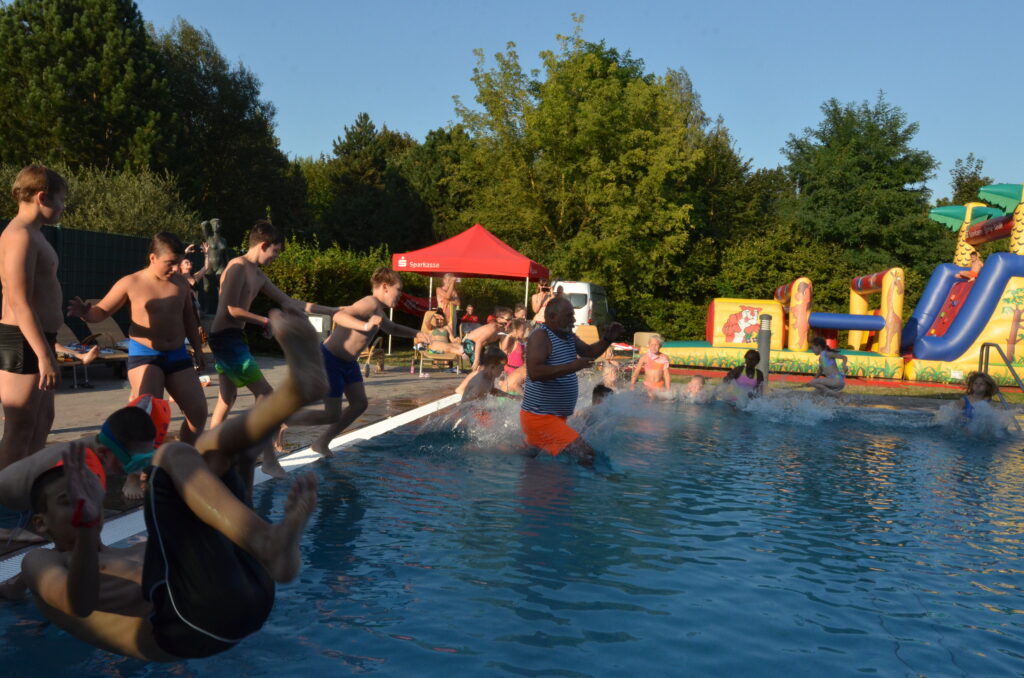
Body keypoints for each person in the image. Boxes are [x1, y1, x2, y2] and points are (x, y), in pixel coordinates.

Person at [0, 307, 326, 661]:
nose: (83, 497)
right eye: (69, 497)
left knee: (212, 450)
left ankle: (296, 391)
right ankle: (268, 540)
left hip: (251, 591)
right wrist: (88, 519)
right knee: (173, 459)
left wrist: (240, 465)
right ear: (40, 523)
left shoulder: (133, 551)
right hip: (188, 626)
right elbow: (79, 605)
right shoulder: (39, 563)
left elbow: (219, 527)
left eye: (86, 490)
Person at [67, 233, 207, 498]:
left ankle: (179, 461)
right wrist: (86, 312)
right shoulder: (131, 282)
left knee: (198, 413)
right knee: (145, 417)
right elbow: (102, 311)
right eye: (170, 262)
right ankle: (134, 476)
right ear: (152, 258)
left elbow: (189, 317)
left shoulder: (180, 283)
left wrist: (198, 351)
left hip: (177, 354)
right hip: (145, 355)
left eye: (179, 262)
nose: (175, 268)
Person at [206, 220, 339, 479]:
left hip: (234, 337)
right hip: (225, 337)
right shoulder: (236, 268)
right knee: (266, 394)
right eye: (275, 251)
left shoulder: (258, 275)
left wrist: (332, 310)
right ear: (263, 245)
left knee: (226, 398)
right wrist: (265, 321)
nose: (276, 257)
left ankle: (210, 454)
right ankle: (267, 459)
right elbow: (230, 309)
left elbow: (288, 302)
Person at [283, 267, 431, 456]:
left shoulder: (378, 309)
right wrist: (365, 325)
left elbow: (392, 328)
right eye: (399, 289)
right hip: (331, 360)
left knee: (359, 404)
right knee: (331, 414)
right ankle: (283, 421)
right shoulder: (369, 303)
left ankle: (321, 443)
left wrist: (417, 333)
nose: (400, 295)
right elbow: (340, 315)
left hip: (348, 363)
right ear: (385, 287)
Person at [0, 165, 67, 470]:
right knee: (20, 427)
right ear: (43, 197)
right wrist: (44, 355)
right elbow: (19, 301)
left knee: (42, 420)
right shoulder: (19, 236)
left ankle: (29, 487)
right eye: (61, 200)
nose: (63, 207)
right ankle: (6, 506)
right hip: (22, 339)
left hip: (40, 338)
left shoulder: (35, 235)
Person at [520, 297, 624, 466]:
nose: (574, 319)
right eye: (569, 315)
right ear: (552, 316)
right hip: (540, 418)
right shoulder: (541, 336)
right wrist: (573, 366)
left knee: (531, 458)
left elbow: (589, 352)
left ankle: (493, 453)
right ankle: (599, 488)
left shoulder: (568, 336)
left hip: (555, 418)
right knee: (587, 454)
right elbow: (535, 372)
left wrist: (607, 339)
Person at [499, 318, 530, 395]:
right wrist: (510, 335)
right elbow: (503, 349)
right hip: (511, 373)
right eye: (522, 329)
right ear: (516, 330)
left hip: (520, 373)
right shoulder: (512, 342)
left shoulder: (522, 341)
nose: (524, 331)